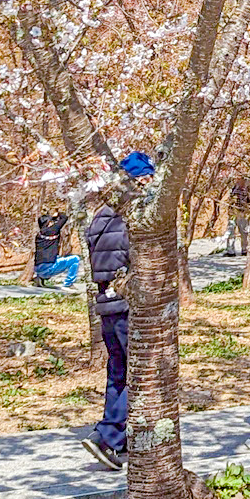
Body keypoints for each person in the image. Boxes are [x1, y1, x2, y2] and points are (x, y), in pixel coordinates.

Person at [79, 153, 146, 471]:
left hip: (104, 303)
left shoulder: (100, 215)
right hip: (126, 303)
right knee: (137, 372)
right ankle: (108, 436)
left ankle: (114, 436)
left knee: (117, 372)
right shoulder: (134, 217)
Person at [31, 209, 79, 289]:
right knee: (75, 259)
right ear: (48, 223)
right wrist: (57, 213)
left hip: (38, 268)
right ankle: (68, 284)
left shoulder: (39, 235)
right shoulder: (53, 230)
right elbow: (64, 218)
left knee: (56, 258)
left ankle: (40, 278)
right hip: (49, 268)